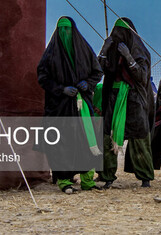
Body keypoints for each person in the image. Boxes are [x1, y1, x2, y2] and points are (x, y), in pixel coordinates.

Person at [37, 16, 104, 193]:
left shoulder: (84, 50)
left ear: (73, 30)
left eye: (67, 29)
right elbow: (43, 78)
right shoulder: (51, 53)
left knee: (86, 141)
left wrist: (87, 84)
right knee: (63, 144)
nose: (64, 33)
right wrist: (61, 89)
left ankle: (87, 180)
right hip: (60, 108)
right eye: (61, 30)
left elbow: (97, 72)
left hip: (82, 107)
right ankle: (64, 181)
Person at [98, 18, 154, 188]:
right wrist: (105, 49)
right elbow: (98, 70)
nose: (118, 37)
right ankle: (107, 176)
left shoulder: (140, 52)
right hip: (113, 99)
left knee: (140, 138)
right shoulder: (112, 50)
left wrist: (129, 58)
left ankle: (145, 177)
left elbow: (143, 77)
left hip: (134, 100)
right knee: (108, 137)